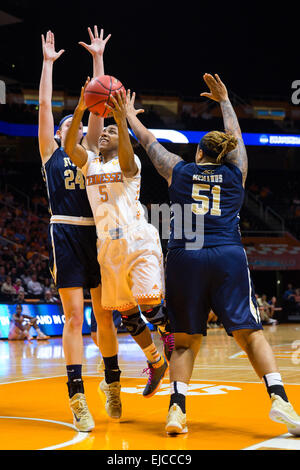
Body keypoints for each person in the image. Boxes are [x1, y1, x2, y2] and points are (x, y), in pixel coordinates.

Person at [123, 75, 300, 436]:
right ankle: (279, 398)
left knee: (185, 341)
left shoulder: (180, 170)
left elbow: (148, 141)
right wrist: (225, 102)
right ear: (226, 154)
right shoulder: (237, 173)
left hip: (186, 256)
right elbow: (237, 141)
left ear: (199, 152)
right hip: (227, 255)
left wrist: (129, 114)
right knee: (251, 335)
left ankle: (176, 410)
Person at [64, 81, 174, 417]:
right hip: (107, 246)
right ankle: (155, 361)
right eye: (105, 130)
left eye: (112, 131)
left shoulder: (131, 164)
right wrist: (82, 107)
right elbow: (71, 149)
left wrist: (122, 121)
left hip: (137, 239)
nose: (106, 133)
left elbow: (127, 160)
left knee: (149, 303)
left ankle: (172, 340)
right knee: (126, 313)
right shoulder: (91, 164)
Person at [38, 26, 115, 431]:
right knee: (73, 317)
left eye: (81, 128)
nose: (78, 130)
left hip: (96, 233)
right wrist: (48, 64)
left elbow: (99, 103)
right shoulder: (50, 151)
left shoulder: (87, 155)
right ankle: (77, 397)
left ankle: (113, 381)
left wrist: (98, 60)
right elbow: (47, 105)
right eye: (70, 127)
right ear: (57, 134)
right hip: (65, 232)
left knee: (104, 315)